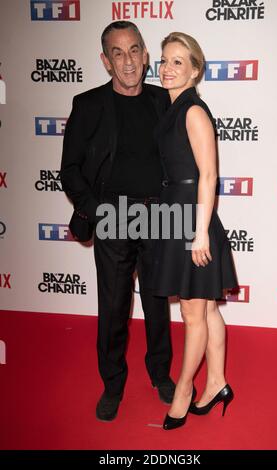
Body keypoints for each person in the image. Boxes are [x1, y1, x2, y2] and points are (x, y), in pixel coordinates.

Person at [60, 21, 175, 422]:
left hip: (159, 215)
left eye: (135, 50)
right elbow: (70, 169)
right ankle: (112, 384)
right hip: (113, 214)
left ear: (146, 55)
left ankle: (161, 373)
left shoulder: (166, 101)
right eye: (118, 52)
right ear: (105, 60)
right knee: (113, 304)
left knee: (158, 301)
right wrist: (95, 209)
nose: (128, 61)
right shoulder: (88, 103)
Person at [151, 32, 238, 430]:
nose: (167, 68)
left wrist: (200, 232)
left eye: (178, 62)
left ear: (195, 69)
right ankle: (217, 380)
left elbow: (209, 174)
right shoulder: (171, 108)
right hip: (177, 213)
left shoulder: (193, 111)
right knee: (207, 307)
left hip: (191, 218)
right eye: (165, 60)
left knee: (192, 311)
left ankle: (184, 388)